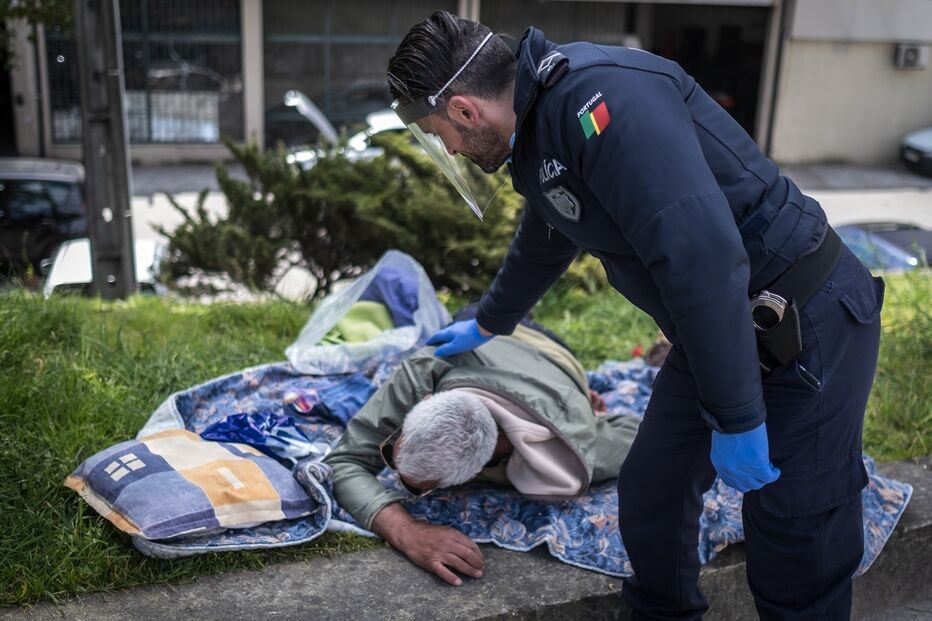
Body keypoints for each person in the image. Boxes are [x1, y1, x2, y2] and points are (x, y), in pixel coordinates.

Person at [385, 11, 884, 620]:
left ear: (465, 110)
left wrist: (738, 416)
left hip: (806, 317)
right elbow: (550, 226)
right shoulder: (540, 124)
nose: (452, 149)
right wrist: (491, 320)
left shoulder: (604, 103)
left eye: (444, 134)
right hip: (716, 327)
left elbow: (701, 259)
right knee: (655, 492)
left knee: (794, 529)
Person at [323, 320, 640, 587]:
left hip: (546, 347)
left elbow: (635, 430)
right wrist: (405, 531)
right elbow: (342, 462)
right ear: (425, 401)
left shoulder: (577, 452)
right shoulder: (426, 368)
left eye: (417, 486)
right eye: (392, 452)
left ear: (475, 475)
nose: (392, 473)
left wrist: (592, 418)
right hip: (479, 325)